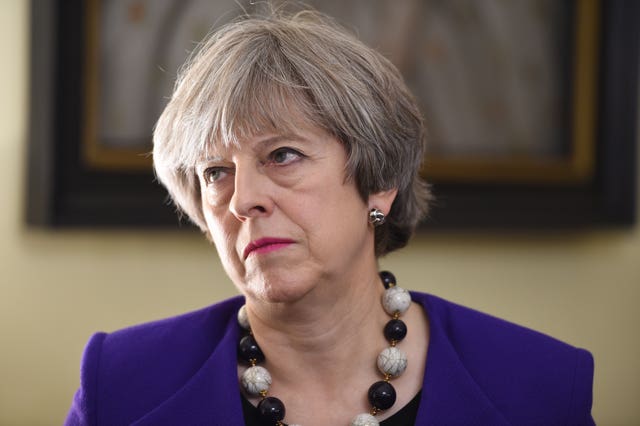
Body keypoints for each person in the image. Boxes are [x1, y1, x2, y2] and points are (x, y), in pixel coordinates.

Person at [65, 7, 594, 426]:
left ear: (379, 183)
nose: (242, 198)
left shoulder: (539, 386)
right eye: (215, 172)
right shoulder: (122, 383)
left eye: (282, 155)